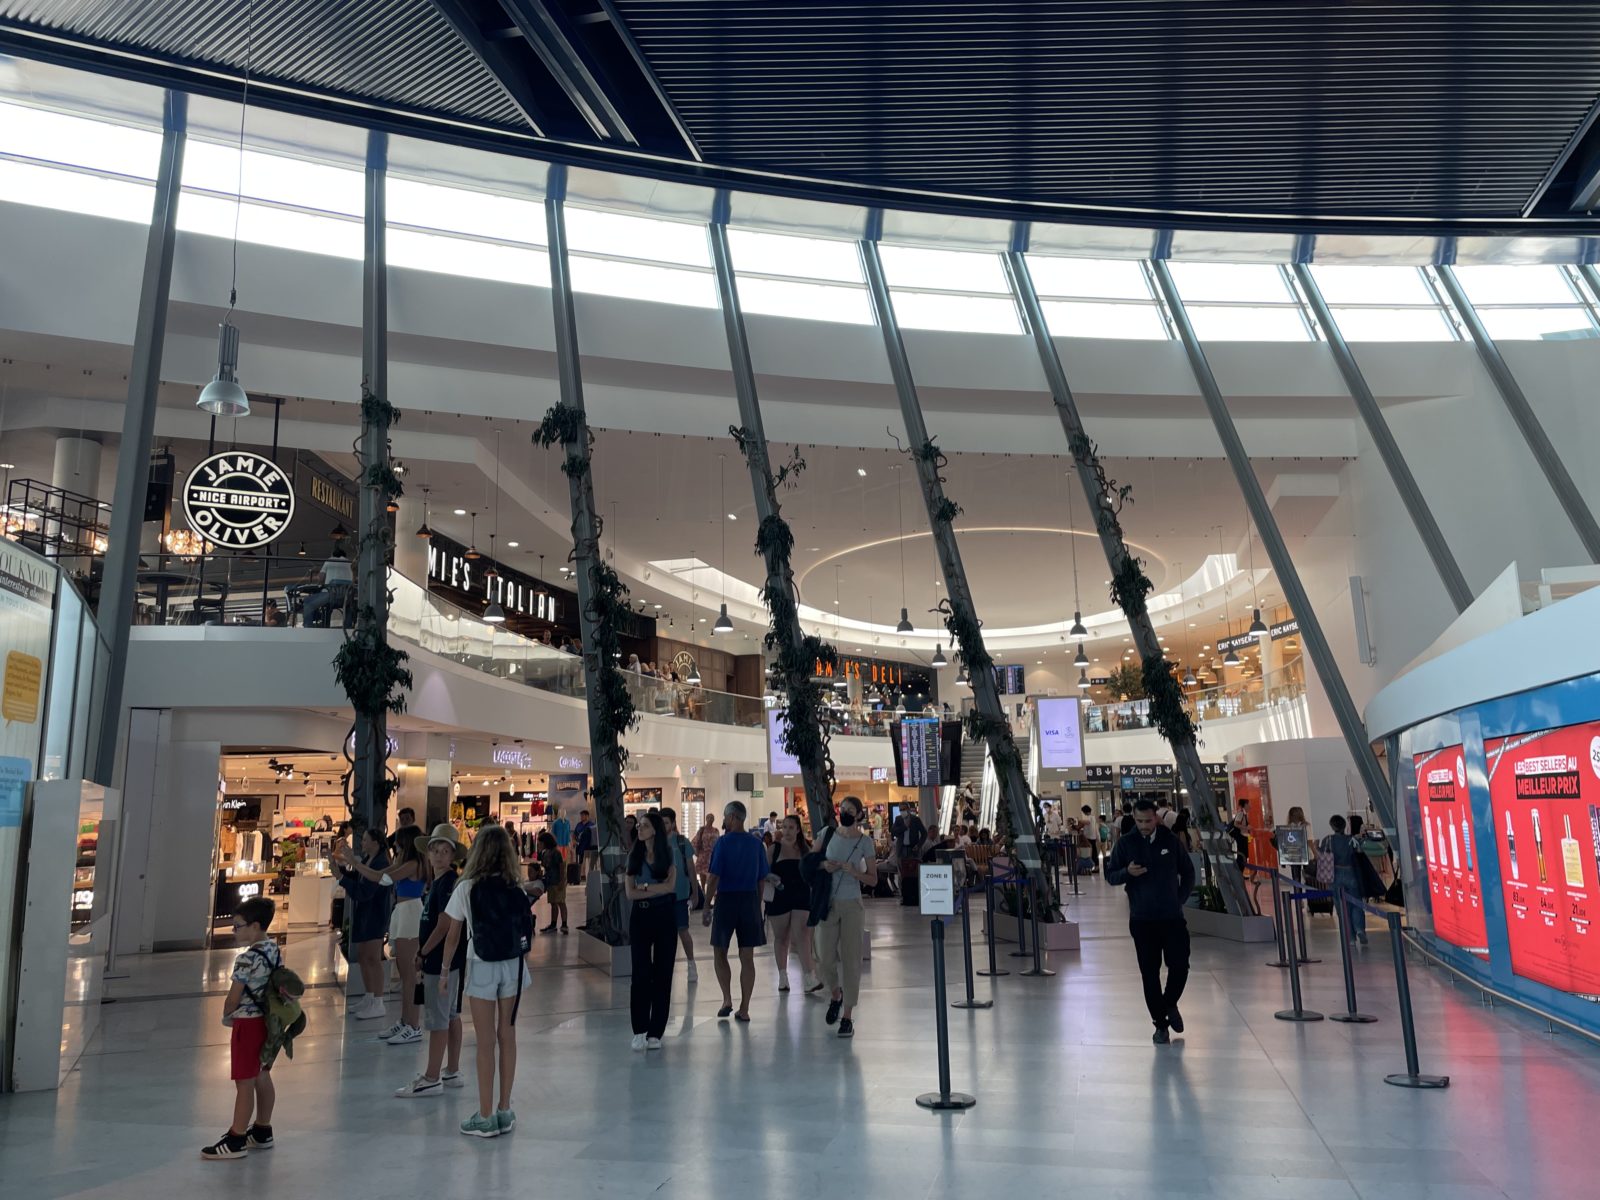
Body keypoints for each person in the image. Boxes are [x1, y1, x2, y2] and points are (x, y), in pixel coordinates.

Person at [439, 824, 532, 1138]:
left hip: (481, 964)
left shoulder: (466, 887)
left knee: (485, 1041)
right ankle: (505, 1109)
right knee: (508, 1035)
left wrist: (444, 972)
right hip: (513, 966)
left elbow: (453, 936)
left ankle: (485, 1115)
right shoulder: (516, 888)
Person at [1105, 798, 1195, 1045]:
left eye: (1148, 820)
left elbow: (1188, 872)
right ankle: (1160, 1025)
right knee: (1149, 973)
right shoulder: (1126, 843)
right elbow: (1110, 875)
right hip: (1142, 920)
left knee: (1180, 965)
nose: (1144, 825)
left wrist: (1179, 899)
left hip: (1172, 917)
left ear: (1156, 817)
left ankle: (1169, 1002)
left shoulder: (1170, 841)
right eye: (1139, 821)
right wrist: (1127, 873)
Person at [200, 897, 282, 1159]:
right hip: (268, 1022)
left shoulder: (246, 959)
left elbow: (233, 997)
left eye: (238, 926)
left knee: (244, 1082)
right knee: (262, 1075)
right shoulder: (274, 949)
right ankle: (262, 1130)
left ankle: (236, 1138)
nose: (234, 931)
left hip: (247, 1024)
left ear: (255, 926)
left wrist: (226, 1011)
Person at [396, 825, 469, 1098]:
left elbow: (444, 923)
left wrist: (423, 952)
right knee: (450, 1015)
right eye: (435, 850)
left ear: (452, 856)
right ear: (428, 853)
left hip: (441, 962)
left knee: (439, 1019)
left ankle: (431, 1077)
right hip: (445, 961)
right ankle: (452, 1070)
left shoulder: (447, 883)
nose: (438, 855)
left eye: (445, 851)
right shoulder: (440, 883)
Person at [338, 823, 425, 1043]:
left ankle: (413, 1025)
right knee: (404, 974)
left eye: (399, 842)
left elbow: (382, 878)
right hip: (403, 913)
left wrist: (354, 863)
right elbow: (378, 875)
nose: (395, 846)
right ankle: (405, 1021)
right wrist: (354, 863)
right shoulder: (404, 862)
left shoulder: (413, 864)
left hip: (410, 914)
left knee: (409, 976)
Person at [813, 794, 878, 1038]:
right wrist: (824, 866)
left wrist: (855, 873)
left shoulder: (865, 842)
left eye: (851, 810)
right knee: (824, 957)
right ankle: (835, 994)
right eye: (843, 808)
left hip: (852, 904)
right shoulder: (826, 834)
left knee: (851, 960)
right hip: (828, 903)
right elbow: (810, 862)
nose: (846, 812)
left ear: (859, 815)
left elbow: (873, 879)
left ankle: (848, 1016)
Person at [701, 800, 770, 1022]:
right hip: (749, 900)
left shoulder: (723, 843)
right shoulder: (756, 844)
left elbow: (713, 877)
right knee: (747, 956)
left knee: (719, 950)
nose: (723, 820)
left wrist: (706, 905)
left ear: (732, 817)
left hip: (727, 900)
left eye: (725, 816)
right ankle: (745, 1008)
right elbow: (761, 879)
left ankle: (727, 999)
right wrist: (757, 905)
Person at [626, 810, 679, 1050]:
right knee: (640, 972)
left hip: (665, 915)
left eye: (645, 825)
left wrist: (645, 887)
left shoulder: (667, 854)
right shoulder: (634, 856)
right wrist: (655, 888)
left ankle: (656, 1031)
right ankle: (639, 1029)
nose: (640, 829)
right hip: (641, 916)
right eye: (639, 825)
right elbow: (630, 893)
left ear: (655, 830)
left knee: (663, 972)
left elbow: (671, 887)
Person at [335, 825, 391, 1022]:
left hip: (375, 915)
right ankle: (370, 996)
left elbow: (365, 891)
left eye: (366, 839)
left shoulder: (380, 863)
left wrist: (342, 878)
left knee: (373, 958)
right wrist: (342, 871)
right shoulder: (370, 860)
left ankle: (378, 1001)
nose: (362, 843)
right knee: (363, 956)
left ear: (375, 842)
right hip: (366, 914)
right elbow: (359, 880)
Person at [766, 814, 818, 994]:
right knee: (782, 937)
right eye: (785, 827)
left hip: (801, 896)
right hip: (779, 896)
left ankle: (809, 977)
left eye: (791, 827)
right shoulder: (774, 849)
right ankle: (783, 976)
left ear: (798, 830)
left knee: (803, 934)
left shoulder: (806, 849)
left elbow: (813, 872)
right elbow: (763, 871)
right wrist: (770, 877)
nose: (787, 831)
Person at [661, 807, 701, 982]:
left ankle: (691, 963)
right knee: (661, 933)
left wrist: (695, 893)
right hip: (660, 895)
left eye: (666, 823)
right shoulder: (654, 842)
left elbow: (691, 869)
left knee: (683, 930)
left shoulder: (681, 842)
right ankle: (663, 967)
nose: (663, 826)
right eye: (661, 823)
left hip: (680, 894)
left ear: (673, 823)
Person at [1321, 814, 1368, 945]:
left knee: (1342, 907)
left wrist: (1314, 847)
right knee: (1356, 903)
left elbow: (1322, 857)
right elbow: (1360, 853)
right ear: (1344, 826)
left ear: (1332, 826)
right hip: (1351, 873)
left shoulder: (1328, 840)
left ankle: (1350, 938)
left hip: (1335, 874)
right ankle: (1360, 929)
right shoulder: (1352, 839)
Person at [303, 547, 354, 628]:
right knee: (349, 606)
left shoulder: (330, 560)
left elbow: (321, 579)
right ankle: (348, 627)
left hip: (330, 596)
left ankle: (308, 627)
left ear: (333, 555)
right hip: (346, 598)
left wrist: (318, 574)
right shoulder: (350, 563)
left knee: (307, 602)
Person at [536, 830, 568, 933]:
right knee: (553, 903)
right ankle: (553, 924)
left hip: (557, 881)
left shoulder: (556, 852)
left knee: (561, 902)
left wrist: (562, 881)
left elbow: (561, 867)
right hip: (550, 881)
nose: (540, 845)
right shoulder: (545, 853)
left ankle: (564, 924)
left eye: (541, 843)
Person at [691, 813, 719, 907]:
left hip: (712, 856)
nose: (711, 819)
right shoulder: (702, 830)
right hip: (703, 856)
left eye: (712, 817)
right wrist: (697, 852)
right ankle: (703, 899)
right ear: (706, 819)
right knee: (703, 880)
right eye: (709, 817)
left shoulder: (716, 830)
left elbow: (718, 843)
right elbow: (695, 841)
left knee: (712, 878)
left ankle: (713, 897)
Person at [573, 808, 597, 880]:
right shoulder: (578, 825)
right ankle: (579, 874)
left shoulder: (591, 825)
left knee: (588, 859)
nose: (581, 817)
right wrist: (574, 841)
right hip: (579, 844)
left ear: (587, 816)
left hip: (588, 845)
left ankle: (587, 874)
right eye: (581, 816)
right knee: (579, 859)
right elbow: (574, 834)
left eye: (583, 815)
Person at [1079, 804, 1102, 873]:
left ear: (1085, 811)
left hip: (1090, 837)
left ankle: (1096, 867)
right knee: (1093, 852)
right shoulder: (1092, 817)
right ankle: (1095, 866)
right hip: (1092, 837)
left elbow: (1087, 822)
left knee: (1092, 853)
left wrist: (1079, 820)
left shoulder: (1090, 817)